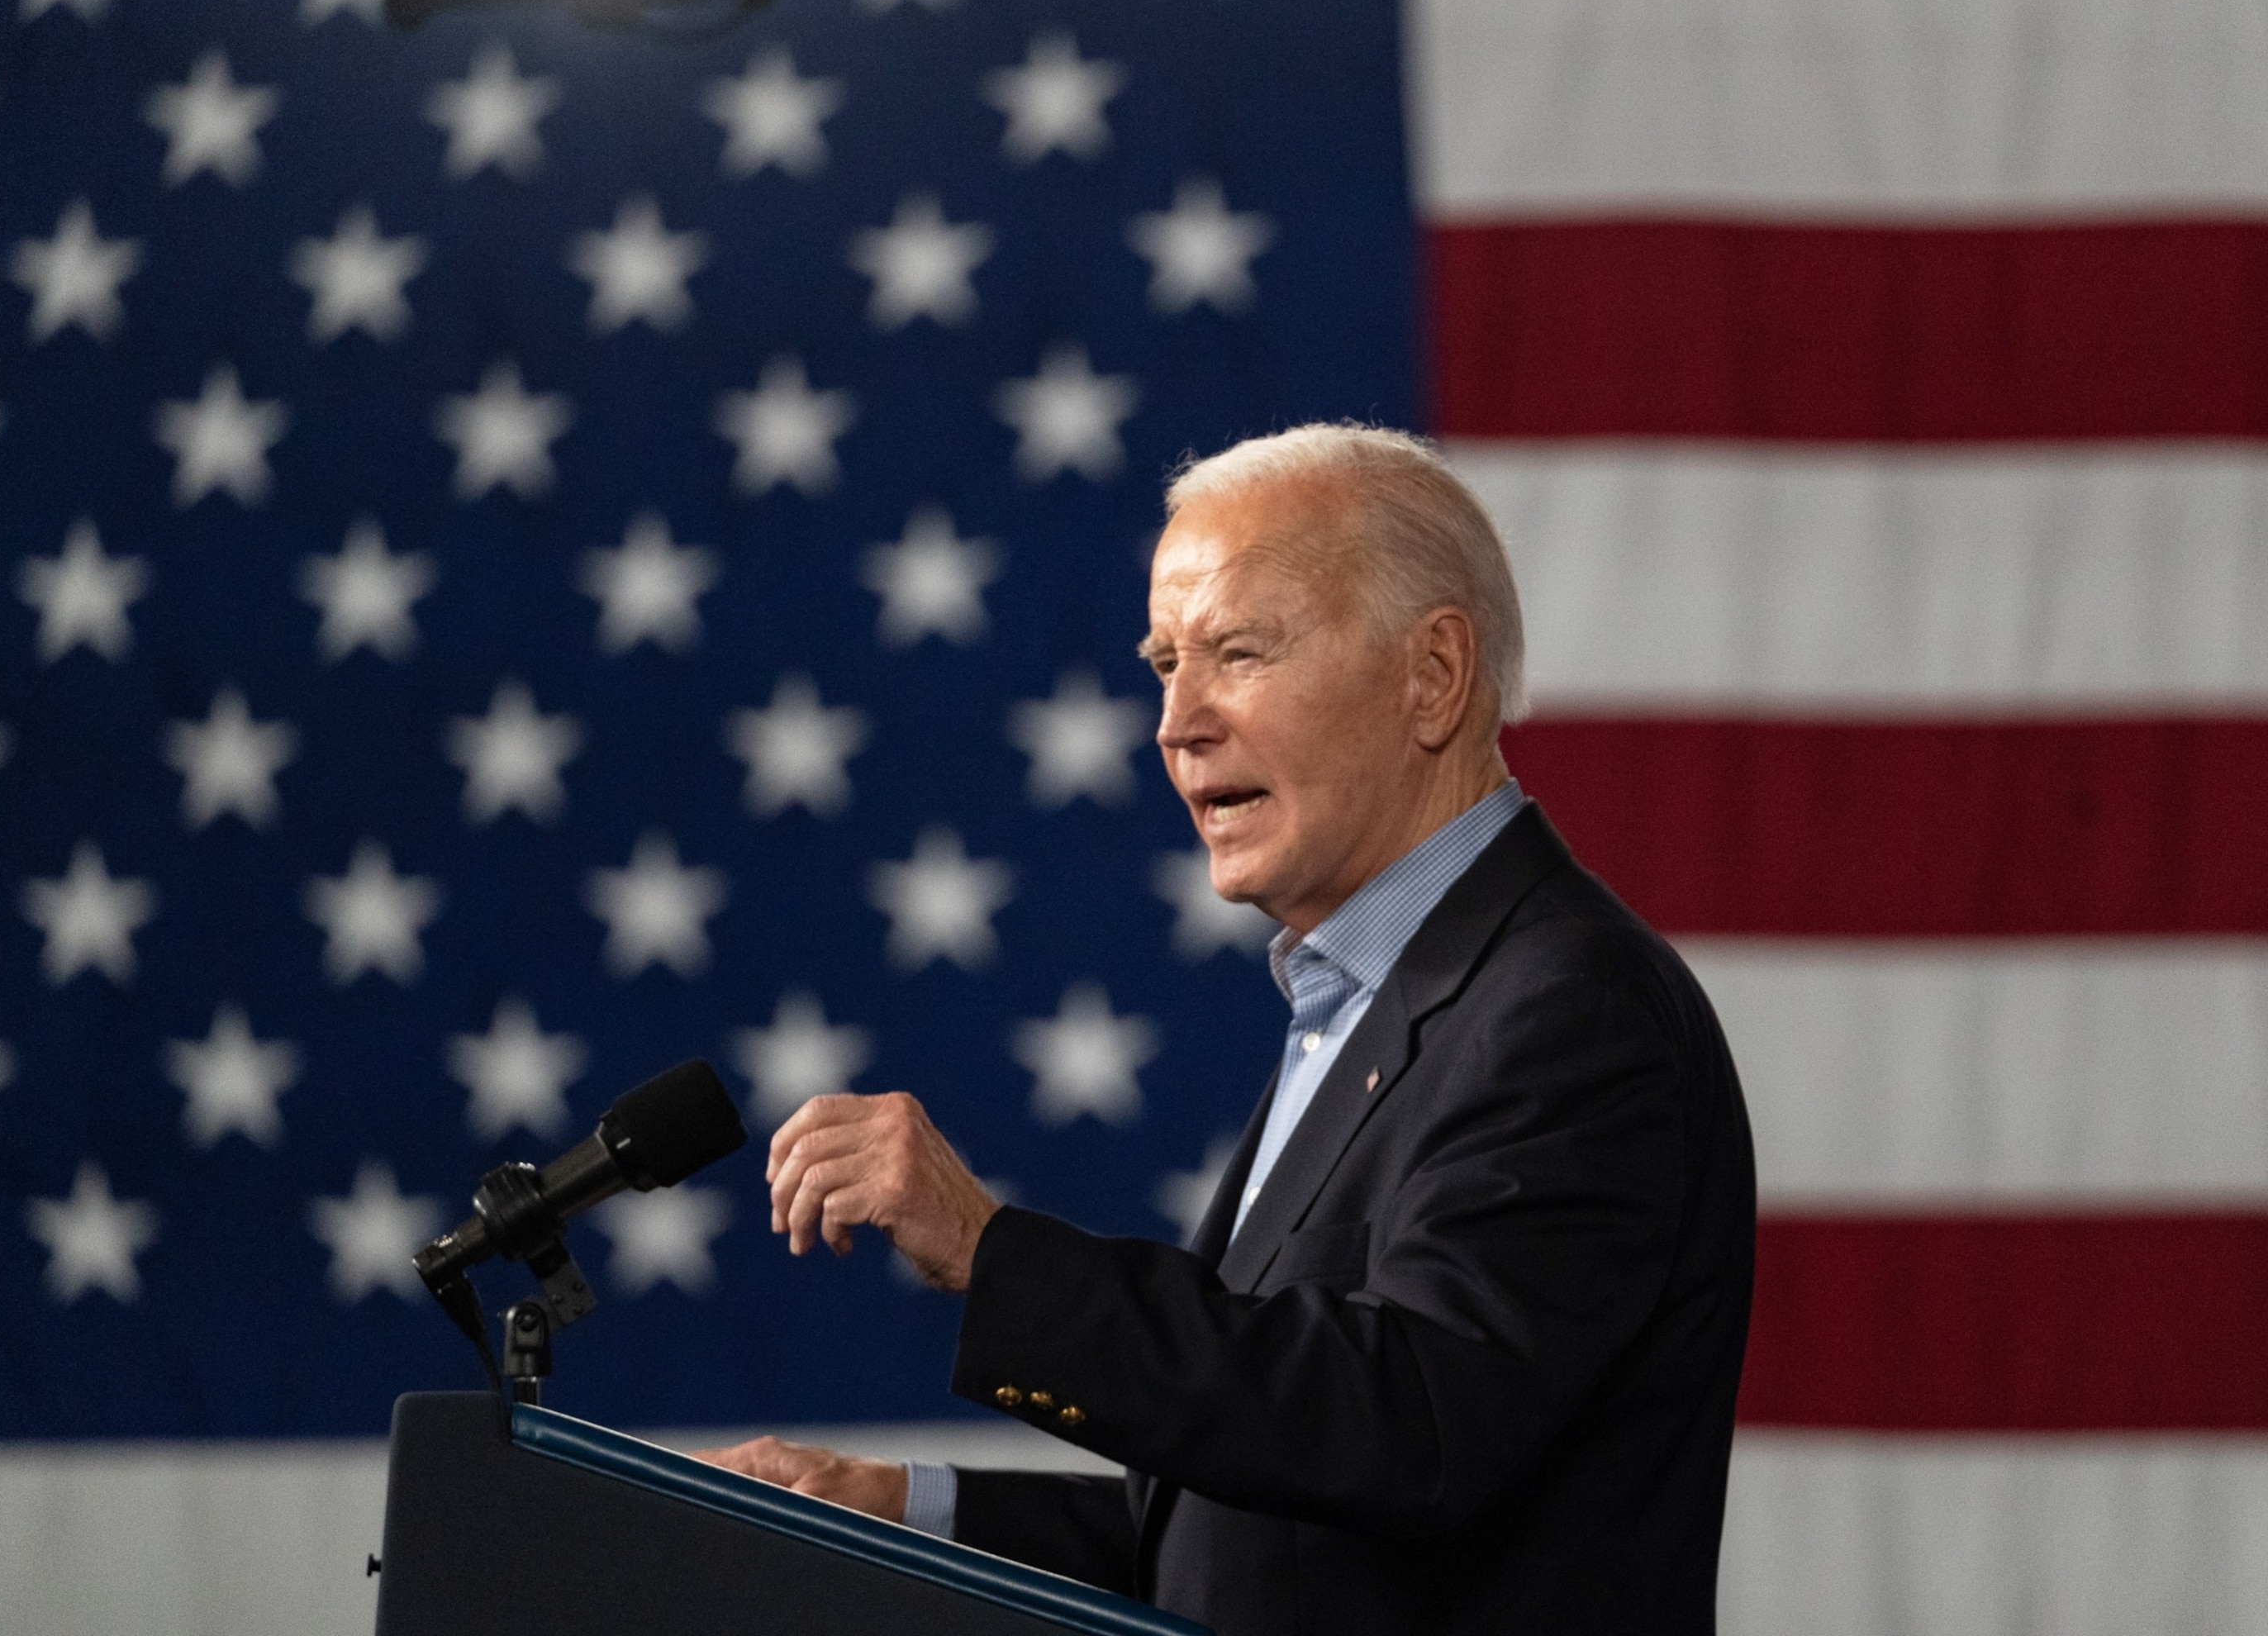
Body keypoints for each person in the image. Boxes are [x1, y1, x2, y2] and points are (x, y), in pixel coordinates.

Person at [697, 424, 1756, 1636]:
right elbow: (1261, 1549)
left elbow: (1413, 1428)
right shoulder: (1367, 1004)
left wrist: (996, 1255)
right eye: (1163, 664)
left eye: (1239, 653)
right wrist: (897, 1506)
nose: (1176, 722)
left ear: (1434, 677)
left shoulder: (1569, 1009)